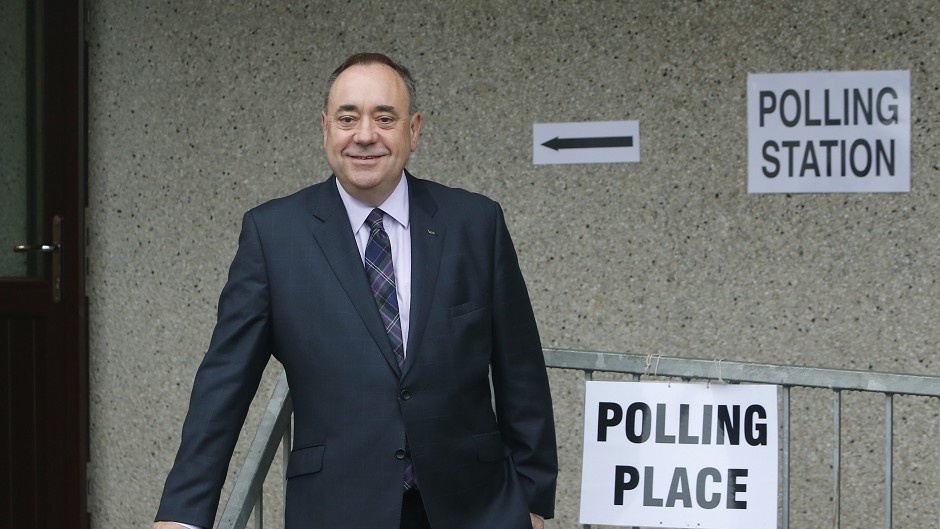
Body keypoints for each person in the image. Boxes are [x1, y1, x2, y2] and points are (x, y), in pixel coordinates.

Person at [153, 52, 557, 529]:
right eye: (348, 118)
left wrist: (531, 499)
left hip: (478, 508)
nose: (365, 135)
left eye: (385, 118)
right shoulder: (273, 235)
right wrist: (183, 515)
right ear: (326, 128)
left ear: (415, 129)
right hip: (337, 507)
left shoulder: (475, 223)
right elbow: (224, 384)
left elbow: (521, 372)